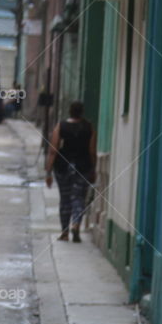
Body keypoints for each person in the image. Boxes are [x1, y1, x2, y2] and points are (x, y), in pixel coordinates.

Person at [45, 100, 97, 241]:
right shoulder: (89, 127)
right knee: (79, 197)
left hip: (63, 167)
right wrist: (93, 169)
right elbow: (92, 151)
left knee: (65, 198)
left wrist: (48, 171)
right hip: (83, 166)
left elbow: (53, 150)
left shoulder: (61, 126)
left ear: (70, 111)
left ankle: (65, 232)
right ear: (82, 112)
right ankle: (76, 224)